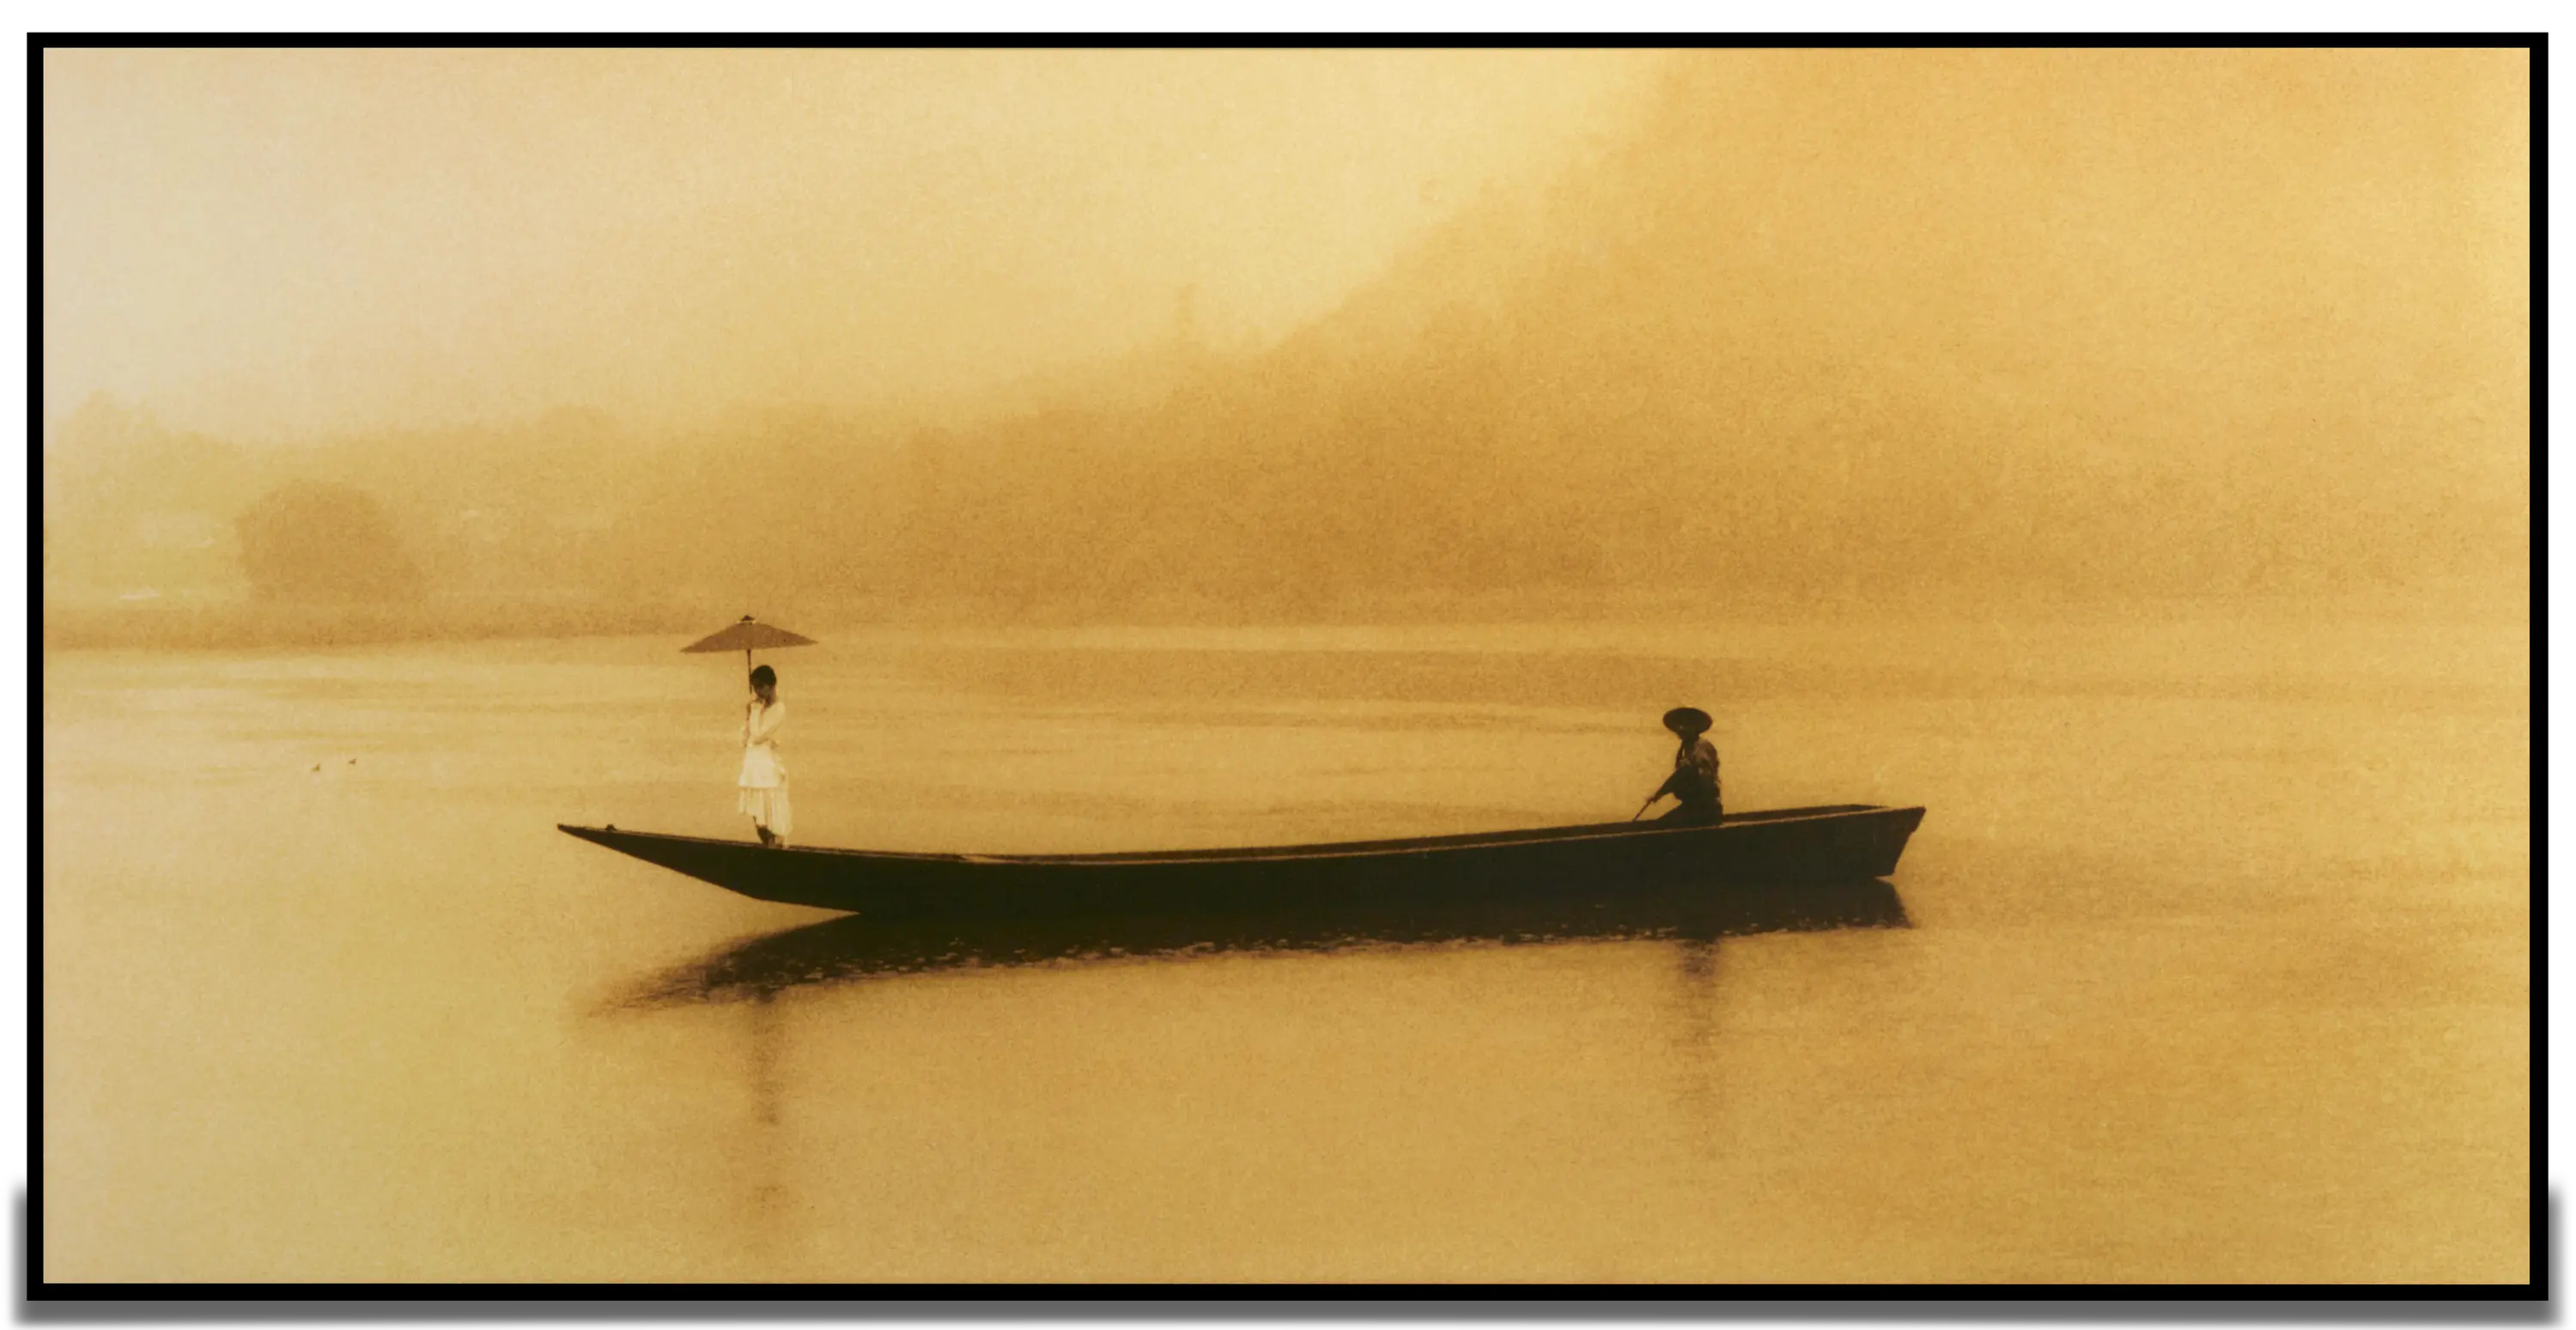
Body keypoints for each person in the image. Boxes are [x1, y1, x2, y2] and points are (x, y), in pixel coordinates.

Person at [1638, 706, 1722, 824]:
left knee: (1662, 827)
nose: (1681, 728)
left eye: (1686, 725)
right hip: (1692, 807)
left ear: (1694, 728)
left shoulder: (1702, 747)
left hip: (1705, 809)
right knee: (1659, 825)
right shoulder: (1687, 747)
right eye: (1680, 725)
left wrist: (1658, 794)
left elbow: (1683, 772)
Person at [738, 665, 793, 847]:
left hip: (768, 766)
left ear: (771, 686)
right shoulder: (758, 707)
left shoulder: (778, 709)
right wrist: (749, 715)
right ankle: (767, 845)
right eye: (755, 687)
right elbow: (745, 739)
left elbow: (759, 735)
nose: (757, 691)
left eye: (760, 687)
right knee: (757, 814)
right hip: (753, 765)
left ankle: (775, 845)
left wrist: (755, 712)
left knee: (770, 812)